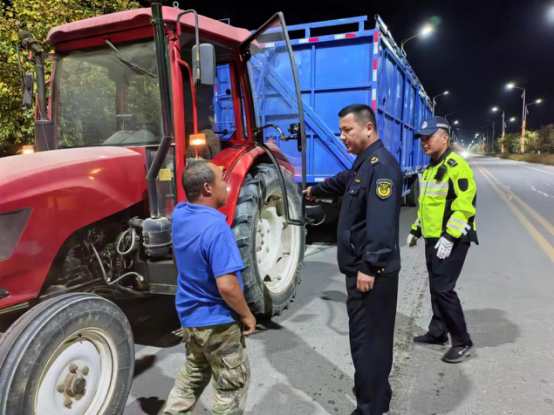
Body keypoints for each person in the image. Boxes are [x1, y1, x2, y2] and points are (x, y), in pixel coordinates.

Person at [304, 104, 402, 415]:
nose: (342, 136)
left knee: (368, 345)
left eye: (347, 130)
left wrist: (369, 267)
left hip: (371, 274)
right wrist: (314, 190)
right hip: (363, 269)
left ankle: (369, 409)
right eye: (341, 131)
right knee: (370, 342)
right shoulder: (364, 164)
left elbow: (382, 226)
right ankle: (377, 398)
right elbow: (342, 181)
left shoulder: (382, 167)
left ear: (368, 128)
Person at [164, 159, 256, 415]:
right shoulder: (217, 229)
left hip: (190, 319)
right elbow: (227, 286)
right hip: (218, 323)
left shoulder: (180, 214)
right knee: (231, 387)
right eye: (221, 180)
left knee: (193, 374)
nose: (226, 185)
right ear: (207, 188)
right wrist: (247, 315)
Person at [407, 116, 478, 363]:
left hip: (453, 239)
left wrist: (449, 237)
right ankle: (438, 332)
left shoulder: (457, 165)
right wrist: (416, 230)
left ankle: (462, 341)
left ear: (445, 138)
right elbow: (428, 207)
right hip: (433, 238)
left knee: (443, 289)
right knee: (436, 287)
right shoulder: (430, 169)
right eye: (422, 138)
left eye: (429, 137)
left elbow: (465, 206)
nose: (424, 142)